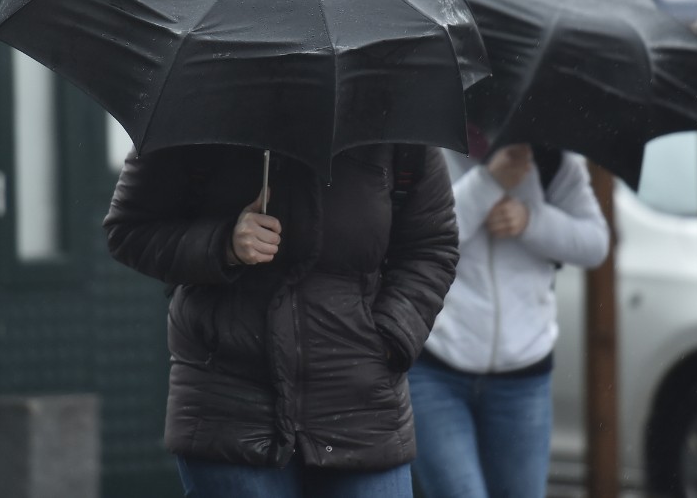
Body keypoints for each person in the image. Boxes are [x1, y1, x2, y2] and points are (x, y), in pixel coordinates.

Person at [103, 143, 459, 498]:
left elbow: (431, 246)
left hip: (362, 402)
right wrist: (224, 244)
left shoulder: (396, 122)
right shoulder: (197, 111)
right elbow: (130, 230)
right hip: (228, 404)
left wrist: (389, 337)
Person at [409, 140, 611, 498]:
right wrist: (488, 183)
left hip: (523, 377)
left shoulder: (551, 157)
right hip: (436, 368)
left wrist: (531, 219)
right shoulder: (431, 148)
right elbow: (415, 237)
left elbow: (595, 243)